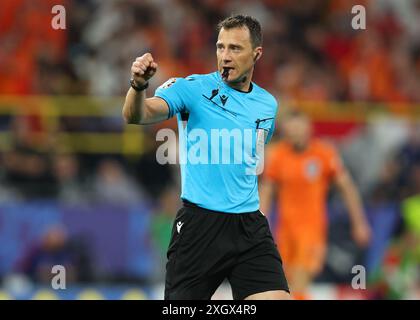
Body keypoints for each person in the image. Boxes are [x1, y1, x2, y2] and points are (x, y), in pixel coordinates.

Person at [122, 15, 290, 300]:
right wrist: (138, 86)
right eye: (220, 47)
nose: (225, 56)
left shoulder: (267, 105)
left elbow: (250, 163)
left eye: (235, 48)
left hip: (249, 226)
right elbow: (136, 115)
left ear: (256, 53)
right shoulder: (191, 89)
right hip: (200, 227)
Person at [260, 110, 371, 300]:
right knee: (285, 286)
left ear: (308, 129)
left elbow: (347, 188)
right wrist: (258, 225)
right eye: (291, 131)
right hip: (285, 231)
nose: (294, 134)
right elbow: (267, 192)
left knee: (299, 281)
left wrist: (359, 222)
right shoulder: (278, 155)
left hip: (311, 232)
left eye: (298, 129)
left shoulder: (323, 154)